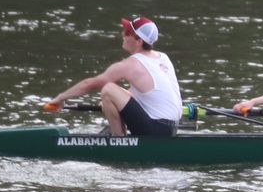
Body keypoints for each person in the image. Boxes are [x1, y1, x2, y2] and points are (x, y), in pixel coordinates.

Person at [45, 16, 184, 137]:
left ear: (139, 41)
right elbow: (147, 96)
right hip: (171, 129)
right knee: (113, 96)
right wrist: (109, 104)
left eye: (127, 32)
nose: (123, 34)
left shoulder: (130, 64)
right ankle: (119, 135)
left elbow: (90, 84)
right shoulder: (163, 58)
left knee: (108, 89)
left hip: (155, 129)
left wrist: (60, 98)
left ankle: (118, 140)